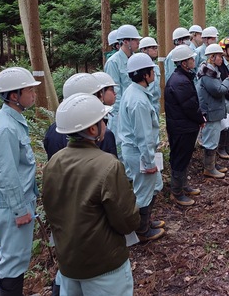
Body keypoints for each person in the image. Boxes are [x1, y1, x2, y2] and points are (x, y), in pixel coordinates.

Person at [43, 93, 140, 296]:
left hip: (68, 264)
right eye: (103, 121)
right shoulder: (108, 165)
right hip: (104, 266)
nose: (106, 124)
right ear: (93, 129)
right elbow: (127, 221)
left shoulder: (53, 163)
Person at [0, 67, 41, 295]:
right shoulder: (4, 128)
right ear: (14, 96)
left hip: (19, 202)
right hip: (12, 207)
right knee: (13, 260)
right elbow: (6, 174)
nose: (33, 94)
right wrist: (19, 210)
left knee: (13, 256)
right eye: (29, 90)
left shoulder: (12, 121)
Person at [118, 53, 165, 242]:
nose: (154, 72)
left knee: (155, 185)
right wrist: (148, 161)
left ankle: (146, 220)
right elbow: (143, 135)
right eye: (151, 70)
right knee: (143, 192)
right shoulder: (138, 101)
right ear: (144, 75)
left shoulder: (135, 92)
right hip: (139, 153)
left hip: (139, 151)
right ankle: (141, 230)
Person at [164, 45, 205, 206]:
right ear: (183, 63)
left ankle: (182, 185)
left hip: (184, 126)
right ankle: (177, 192)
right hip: (182, 128)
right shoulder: (180, 81)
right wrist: (200, 119)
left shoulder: (183, 77)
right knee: (180, 158)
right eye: (191, 59)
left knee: (184, 157)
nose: (194, 60)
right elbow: (189, 106)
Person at [43, 73, 117, 160]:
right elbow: (111, 168)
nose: (101, 98)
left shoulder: (54, 129)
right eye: (99, 94)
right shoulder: (100, 133)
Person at [196, 43, 229, 178]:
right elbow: (218, 91)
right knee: (210, 140)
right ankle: (209, 168)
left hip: (214, 110)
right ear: (212, 57)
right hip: (210, 112)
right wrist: (228, 81)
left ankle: (212, 164)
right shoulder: (207, 74)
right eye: (219, 56)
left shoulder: (211, 71)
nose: (222, 59)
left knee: (214, 138)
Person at [104, 24, 142, 143]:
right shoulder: (113, 62)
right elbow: (114, 92)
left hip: (136, 109)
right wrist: (119, 115)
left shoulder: (137, 60)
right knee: (120, 147)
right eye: (135, 40)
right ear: (126, 41)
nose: (138, 43)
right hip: (120, 114)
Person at [139, 36, 162, 115]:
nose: (156, 50)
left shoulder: (156, 67)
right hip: (145, 103)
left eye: (156, 48)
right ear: (144, 50)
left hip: (155, 103)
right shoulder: (139, 68)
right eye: (153, 48)